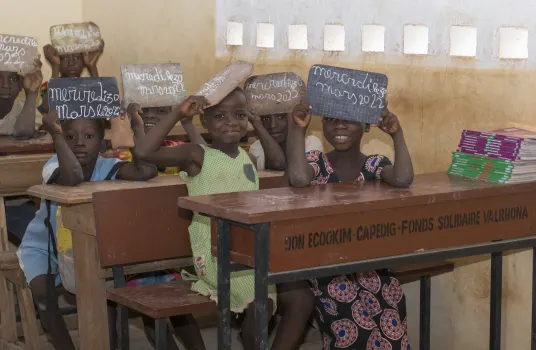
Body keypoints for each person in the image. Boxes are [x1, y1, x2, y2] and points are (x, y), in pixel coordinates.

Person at [132, 88, 299, 350]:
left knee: (265, 303)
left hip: (248, 251)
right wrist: (178, 113)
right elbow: (142, 152)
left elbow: (277, 166)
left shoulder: (249, 160)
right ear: (205, 122)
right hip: (213, 252)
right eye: (220, 115)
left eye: (240, 114)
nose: (231, 121)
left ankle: (248, 340)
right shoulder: (196, 155)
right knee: (259, 303)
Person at [16, 110, 158, 350]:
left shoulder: (110, 165)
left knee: (104, 297)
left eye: (89, 136)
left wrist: (135, 134)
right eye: (70, 136)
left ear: (103, 143)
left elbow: (146, 171)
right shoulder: (53, 165)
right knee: (43, 294)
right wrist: (57, 137)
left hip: (92, 248)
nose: (79, 142)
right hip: (46, 245)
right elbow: (72, 177)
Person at [285, 101, 414, 350]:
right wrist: (298, 129)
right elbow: (299, 179)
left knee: (391, 318)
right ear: (322, 125)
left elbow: (403, 178)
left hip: (371, 268)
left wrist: (397, 133)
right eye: (331, 119)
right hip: (328, 271)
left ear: (366, 126)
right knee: (350, 334)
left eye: (349, 119)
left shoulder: (374, 165)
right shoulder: (316, 164)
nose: (339, 125)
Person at [118, 105, 207, 175]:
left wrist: (187, 123)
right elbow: (143, 165)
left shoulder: (178, 147)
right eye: (143, 109)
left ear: (171, 115)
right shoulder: (124, 155)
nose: (150, 116)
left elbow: (209, 161)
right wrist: (137, 127)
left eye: (160, 110)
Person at [38, 42, 104, 113]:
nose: (71, 63)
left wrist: (92, 67)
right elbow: (46, 108)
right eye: (64, 58)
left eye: (77, 57)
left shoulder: (89, 86)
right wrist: (55, 67)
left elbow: (101, 108)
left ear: (84, 61)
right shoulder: (46, 87)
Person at [248, 112, 323, 170]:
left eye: (281, 117)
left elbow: (298, 175)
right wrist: (256, 124)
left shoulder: (311, 143)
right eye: (266, 119)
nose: (272, 125)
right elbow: (277, 164)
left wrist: (297, 127)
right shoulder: (257, 147)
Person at [0, 57, 43, 138]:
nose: (6, 85)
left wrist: (31, 94)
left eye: (14, 79)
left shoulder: (26, 108)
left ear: (21, 84)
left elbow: (24, 134)